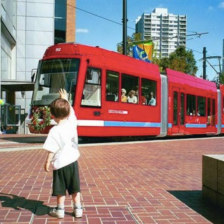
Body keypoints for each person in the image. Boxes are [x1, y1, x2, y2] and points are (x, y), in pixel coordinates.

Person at [43, 89, 82, 219]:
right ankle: (78, 208)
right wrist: (65, 100)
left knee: (60, 187)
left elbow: (52, 148)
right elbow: (72, 113)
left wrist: (47, 161)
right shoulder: (72, 124)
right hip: (73, 162)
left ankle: (60, 210)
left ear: (52, 115)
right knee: (74, 187)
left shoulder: (54, 130)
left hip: (60, 164)